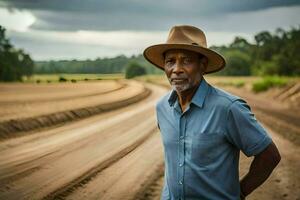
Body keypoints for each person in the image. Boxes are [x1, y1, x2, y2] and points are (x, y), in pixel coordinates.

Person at [143, 25, 281, 200]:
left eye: (186, 60)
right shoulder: (162, 107)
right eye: (170, 61)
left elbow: (269, 156)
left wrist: (241, 191)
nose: (176, 69)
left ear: (202, 65)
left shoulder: (228, 108)